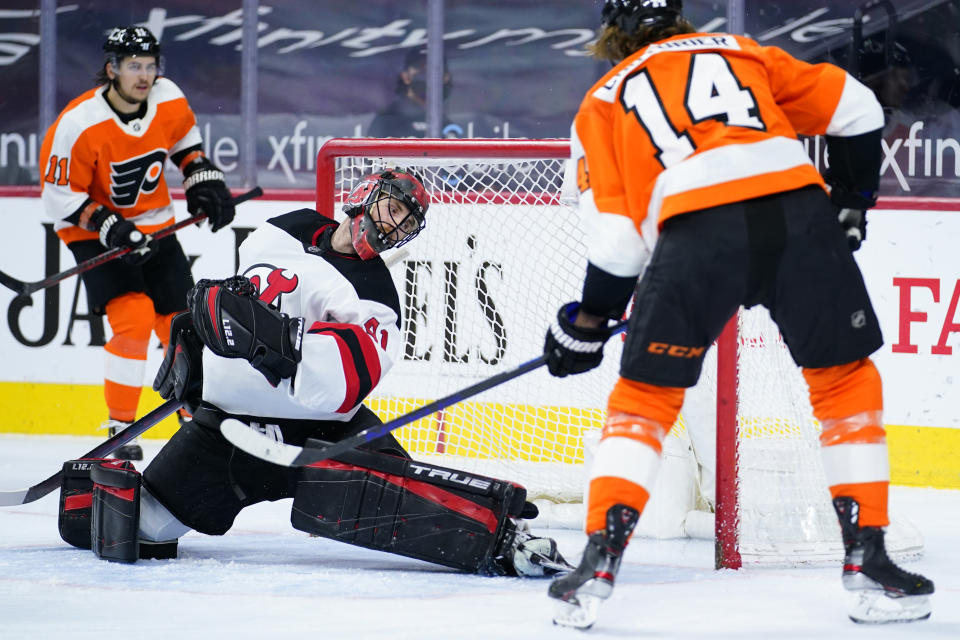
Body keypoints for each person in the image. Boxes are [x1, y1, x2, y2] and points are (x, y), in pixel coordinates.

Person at [542, 0, 933, 629]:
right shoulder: (740, 51)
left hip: (698, 238)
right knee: (843, 382)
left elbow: (619, 245)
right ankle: (870, 559)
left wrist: (586, 324)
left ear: (610, 36)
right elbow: (858, 107)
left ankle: (598, 562)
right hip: (797, 217)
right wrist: (852, 204)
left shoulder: (604, 100)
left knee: (644, 398)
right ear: (681, 19)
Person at [56, 168, 572, 578]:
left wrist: (270, 335)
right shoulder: (288, 226)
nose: (392, 226)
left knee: (407, 506)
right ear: (369, 194)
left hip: (321, 437)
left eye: (406, 225)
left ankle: (508, 539)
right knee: (132, 528)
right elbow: (238, 298)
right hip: (229, 427)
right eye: (393, 208)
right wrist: (198, 347)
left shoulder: (377, 298)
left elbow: (337, 386)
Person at [39, 26, 235, 460]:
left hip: (154, 224)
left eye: (150, 66)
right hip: (94, 235)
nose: (144, 75)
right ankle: (120, 429)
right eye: (133, 66)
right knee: (133, 319)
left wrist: (201, 177)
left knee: (182, 323)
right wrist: (110, 224)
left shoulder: (167, 96)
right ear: (112, 69)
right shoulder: (78, 123)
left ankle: (195, 415)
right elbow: (59, 196)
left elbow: (184, 142)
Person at [367, 49, 461, 139]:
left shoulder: (446, 122)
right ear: (406, 76)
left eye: (435, 68)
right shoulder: (387, 120)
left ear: (445, 77)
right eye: (420, 68)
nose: (427, 75)